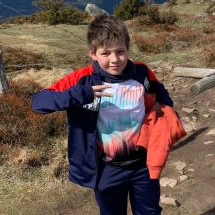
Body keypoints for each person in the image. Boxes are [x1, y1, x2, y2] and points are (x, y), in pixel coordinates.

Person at [32, 15, 186, 215]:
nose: (115, 60)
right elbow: (38, 103)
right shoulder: (83, 80)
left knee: (149, 212)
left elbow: (161, 93)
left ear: (128, 49)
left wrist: (163, 110)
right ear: (92, 53)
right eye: (105, 53)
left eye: (120, 51)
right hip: (106, 168)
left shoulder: (141, 72)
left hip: (143, 165)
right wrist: (81, 94)